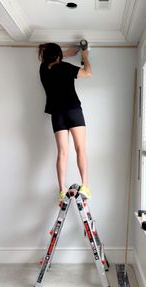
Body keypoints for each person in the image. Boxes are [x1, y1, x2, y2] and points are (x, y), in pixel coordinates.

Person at [38, 42, 92, 201]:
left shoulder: (43, 69)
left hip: (57, 114)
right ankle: (85, 186)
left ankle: (62, 190)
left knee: (62, 153)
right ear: (58, 55)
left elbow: (51, 59)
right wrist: (85, 56)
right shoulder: (66, 67)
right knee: (80, 148)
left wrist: (66, 53)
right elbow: (88, 73)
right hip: (73, 110)